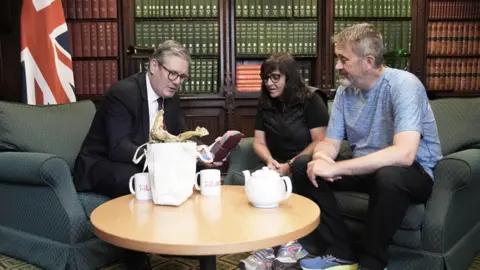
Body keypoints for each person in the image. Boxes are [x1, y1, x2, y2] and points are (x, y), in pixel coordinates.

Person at [291, 23, 442, 270]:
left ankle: (372, 263)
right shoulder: (344, 91)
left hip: (413, 172)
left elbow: (404, 154)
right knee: (302, 166)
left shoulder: (404, 85)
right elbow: (330, 142)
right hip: (367, 168)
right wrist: (322, 159)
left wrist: (337, 168)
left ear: (368, 62)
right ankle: (340, 250)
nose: (338, 66)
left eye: (343, 59)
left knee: (389, 176)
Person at [238, 53, 330, 270]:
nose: (269, 83)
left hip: (304, 161)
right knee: (261, 185)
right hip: (276, 163)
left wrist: (290, 164)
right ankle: (266, 247)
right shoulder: (265, 103)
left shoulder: (312, 100)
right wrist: (270, 161)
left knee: (296, 170)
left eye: (275, 77)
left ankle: (292, 244)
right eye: (266, 78)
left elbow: (320, 140)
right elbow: (259, 142)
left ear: (290, 77)